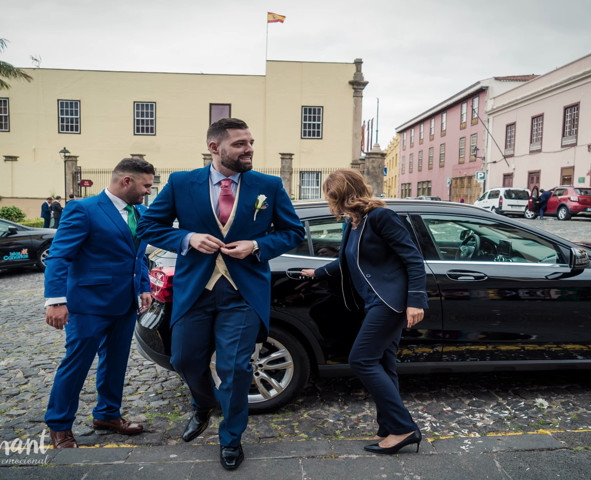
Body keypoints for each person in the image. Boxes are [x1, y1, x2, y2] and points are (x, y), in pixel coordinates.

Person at [137, 118, 304, 471]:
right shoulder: (182, 183)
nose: (249, 149)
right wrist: (187, 239)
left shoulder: (268, 186)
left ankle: (231, 438)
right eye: (240, 144)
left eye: (251, 142)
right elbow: (149, 226)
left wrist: (258, 244)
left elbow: (292, 231)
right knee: (183, 359)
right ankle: (203, 404)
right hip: (195, 290)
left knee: (235, 368)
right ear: (215, 147)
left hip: (242, 294)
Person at [300, 169, 427, 455]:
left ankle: (404, 427)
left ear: (346, 193)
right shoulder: (353, 223)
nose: (331, 202)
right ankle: (390, 427)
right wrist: (317, 272)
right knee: (383, 363)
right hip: (371, 302)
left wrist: (416, 301)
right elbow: (345, 262)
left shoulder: (381, 217)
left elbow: (413, 259)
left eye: (333, 196)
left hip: (390, 302)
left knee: (362, 359)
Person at [43, 158, 155, 449]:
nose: (148, 192)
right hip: (88, 305)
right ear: (125, 181)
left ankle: (107, 415)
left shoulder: (139, 212)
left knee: (115, 363)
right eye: (145, 186)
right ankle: (59, 425)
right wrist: (56, 300)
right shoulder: (83, 209)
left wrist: (143, 286)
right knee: (76, 365)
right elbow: (59, 255)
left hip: (125, 303)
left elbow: (138, 256)